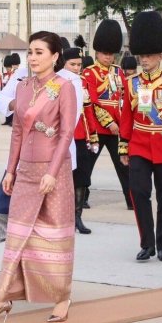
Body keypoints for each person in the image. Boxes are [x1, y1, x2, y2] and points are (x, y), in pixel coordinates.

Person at [0, 31, 77, 323]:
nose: (32, 58)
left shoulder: (64, 87)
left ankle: (62, 297)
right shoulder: (21, 87)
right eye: (30, 52)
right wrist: (10, 170)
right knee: (17, 235)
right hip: (25, 171)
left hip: (53, 171)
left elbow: (66, 133)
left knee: (54, 237)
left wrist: (52, 172)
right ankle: (2, 297)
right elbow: (18, 132)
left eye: (39, 52)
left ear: (55, 56)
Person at [119, 12, 162, 262]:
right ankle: (146, 243)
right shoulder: (131, 84)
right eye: (142, 55)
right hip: (139, 144)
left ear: (160, 56)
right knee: (138, 193)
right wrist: (123, 147)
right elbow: (126, 117)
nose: (144, 60)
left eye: (149, 55)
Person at [82, 19, 133, 211]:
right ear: (97, 52)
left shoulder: (119, 72)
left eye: (111, 54)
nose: (108, 57)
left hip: (118, 128)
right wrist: (109, 122)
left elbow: (124, 98)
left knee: (124, 166)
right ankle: (82, 198)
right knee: (87, 165)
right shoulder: (89, 73)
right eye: (105, 53)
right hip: (97, 127)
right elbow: (93, 103)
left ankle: (131, 201)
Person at [66, 45, 99, 233]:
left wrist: (93, 136)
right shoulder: (57, 81)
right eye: (72, 64)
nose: (77, 68)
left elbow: (88, 111)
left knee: (82, 177)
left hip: (81, 136)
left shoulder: (84, 82)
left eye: (79, 64)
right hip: (64, 137)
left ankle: (77, 217)